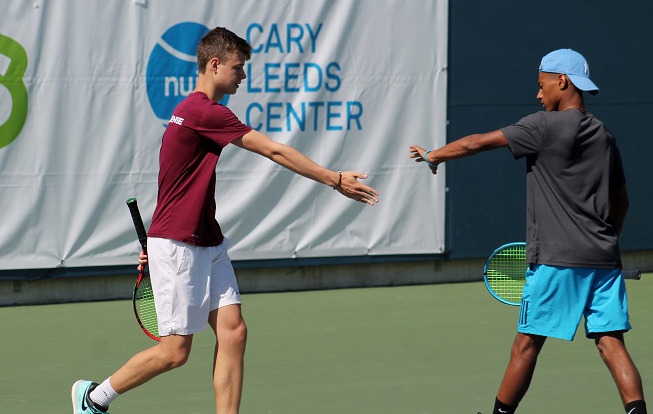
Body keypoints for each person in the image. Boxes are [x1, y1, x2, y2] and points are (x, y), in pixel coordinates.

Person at [71, 26, 379, 414]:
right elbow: (274, 151)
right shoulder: (203, 111)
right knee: (175, 352)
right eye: (238, 67)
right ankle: (93, 398)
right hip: (180, 244)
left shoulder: (188, 110)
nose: (243, 76)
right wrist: (335, 179)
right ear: (215, 65)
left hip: (205, 240)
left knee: (233, 332)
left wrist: (157, 243)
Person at [409, 49, 646, 414]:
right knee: (611, 344)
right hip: (604, 258)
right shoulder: (604, 135)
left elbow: (475, 143)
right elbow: (622, 202)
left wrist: (433, 155)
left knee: (525, 347)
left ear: (561, 82)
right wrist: (606, 244)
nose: (538, 94)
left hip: (556, 260)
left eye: (541, 85)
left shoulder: (542, 126)